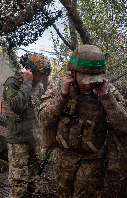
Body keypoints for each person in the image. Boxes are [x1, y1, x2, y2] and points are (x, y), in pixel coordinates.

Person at [39, 44, 127, 198]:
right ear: (73, 72)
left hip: (93, 158)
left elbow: (123, 126)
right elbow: (45, 120)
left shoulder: (107, 90)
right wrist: (62, 94)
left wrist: (105, 96)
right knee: (63, 193)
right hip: (66, 156)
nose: (88, 84)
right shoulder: (58, 87)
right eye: (84, 79)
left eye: (93, 80)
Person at [2, 52, 51, 198]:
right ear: (29, 69)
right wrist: (27, 83)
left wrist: (47, 84)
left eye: (45, 74)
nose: (42, 77)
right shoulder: (12, 83)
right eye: (40, 73)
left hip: (34, 140)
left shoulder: (38, 85)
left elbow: (47, 105)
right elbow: (17, 106)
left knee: (32, 182)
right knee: (19, 186)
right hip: (18, 141)